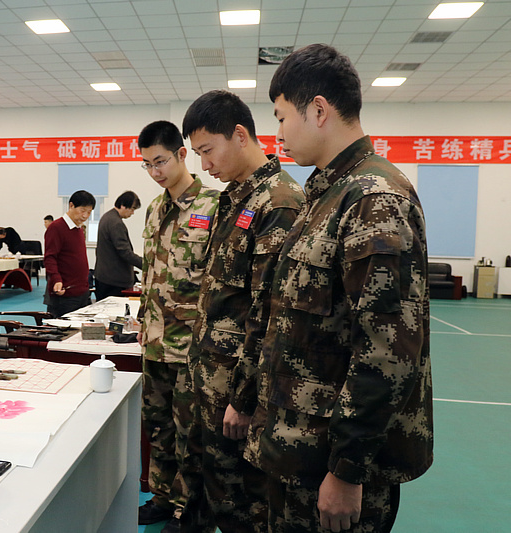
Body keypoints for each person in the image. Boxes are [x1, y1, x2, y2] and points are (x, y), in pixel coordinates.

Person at [245, 43, 433, 532]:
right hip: (298, 448)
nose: (278, 132)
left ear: (319, 110)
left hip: (331, 465)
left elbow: (387, 352)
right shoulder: (329, 191)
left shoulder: (373, 198)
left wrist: (347, 471)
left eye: (282, 117)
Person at [179, 90, 305, 533]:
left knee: (243, 505)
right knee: (209, 486)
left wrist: (243, 397)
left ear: (239, 135)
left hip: (237, 392)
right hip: (209, 377)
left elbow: (270, 315)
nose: (204, 166)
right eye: (197, 155)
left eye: (208, 151)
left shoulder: (280, 202)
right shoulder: (235, 197)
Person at [137, 120, 219, 533]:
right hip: (154, 342)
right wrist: (141, 322)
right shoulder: (153, 209)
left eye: (161, 161)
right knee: (158, 427)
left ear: (183, 154)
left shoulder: (214, 206)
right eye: (147, 165)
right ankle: (162, 497)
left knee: (192, 434)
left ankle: (191, 511)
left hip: (192, 347)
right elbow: (152, 275)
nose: (155, 172)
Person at [43, 190, 95, 317]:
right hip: (65, 294)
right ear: (71, 206)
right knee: (65, 333)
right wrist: (56, 279)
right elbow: (50, 258)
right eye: (82, 210)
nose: (85, 215)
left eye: (89, 212)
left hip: (82, 292)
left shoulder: (79, 228)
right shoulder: (56, 227)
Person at [93, 190, 143, 301]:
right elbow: (125, 253)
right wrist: (147, 265)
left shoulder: (107, 217)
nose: (133, 213)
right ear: (123, 206)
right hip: (113, 281)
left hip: (104, 277)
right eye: (132, 209)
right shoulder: (116, 223)